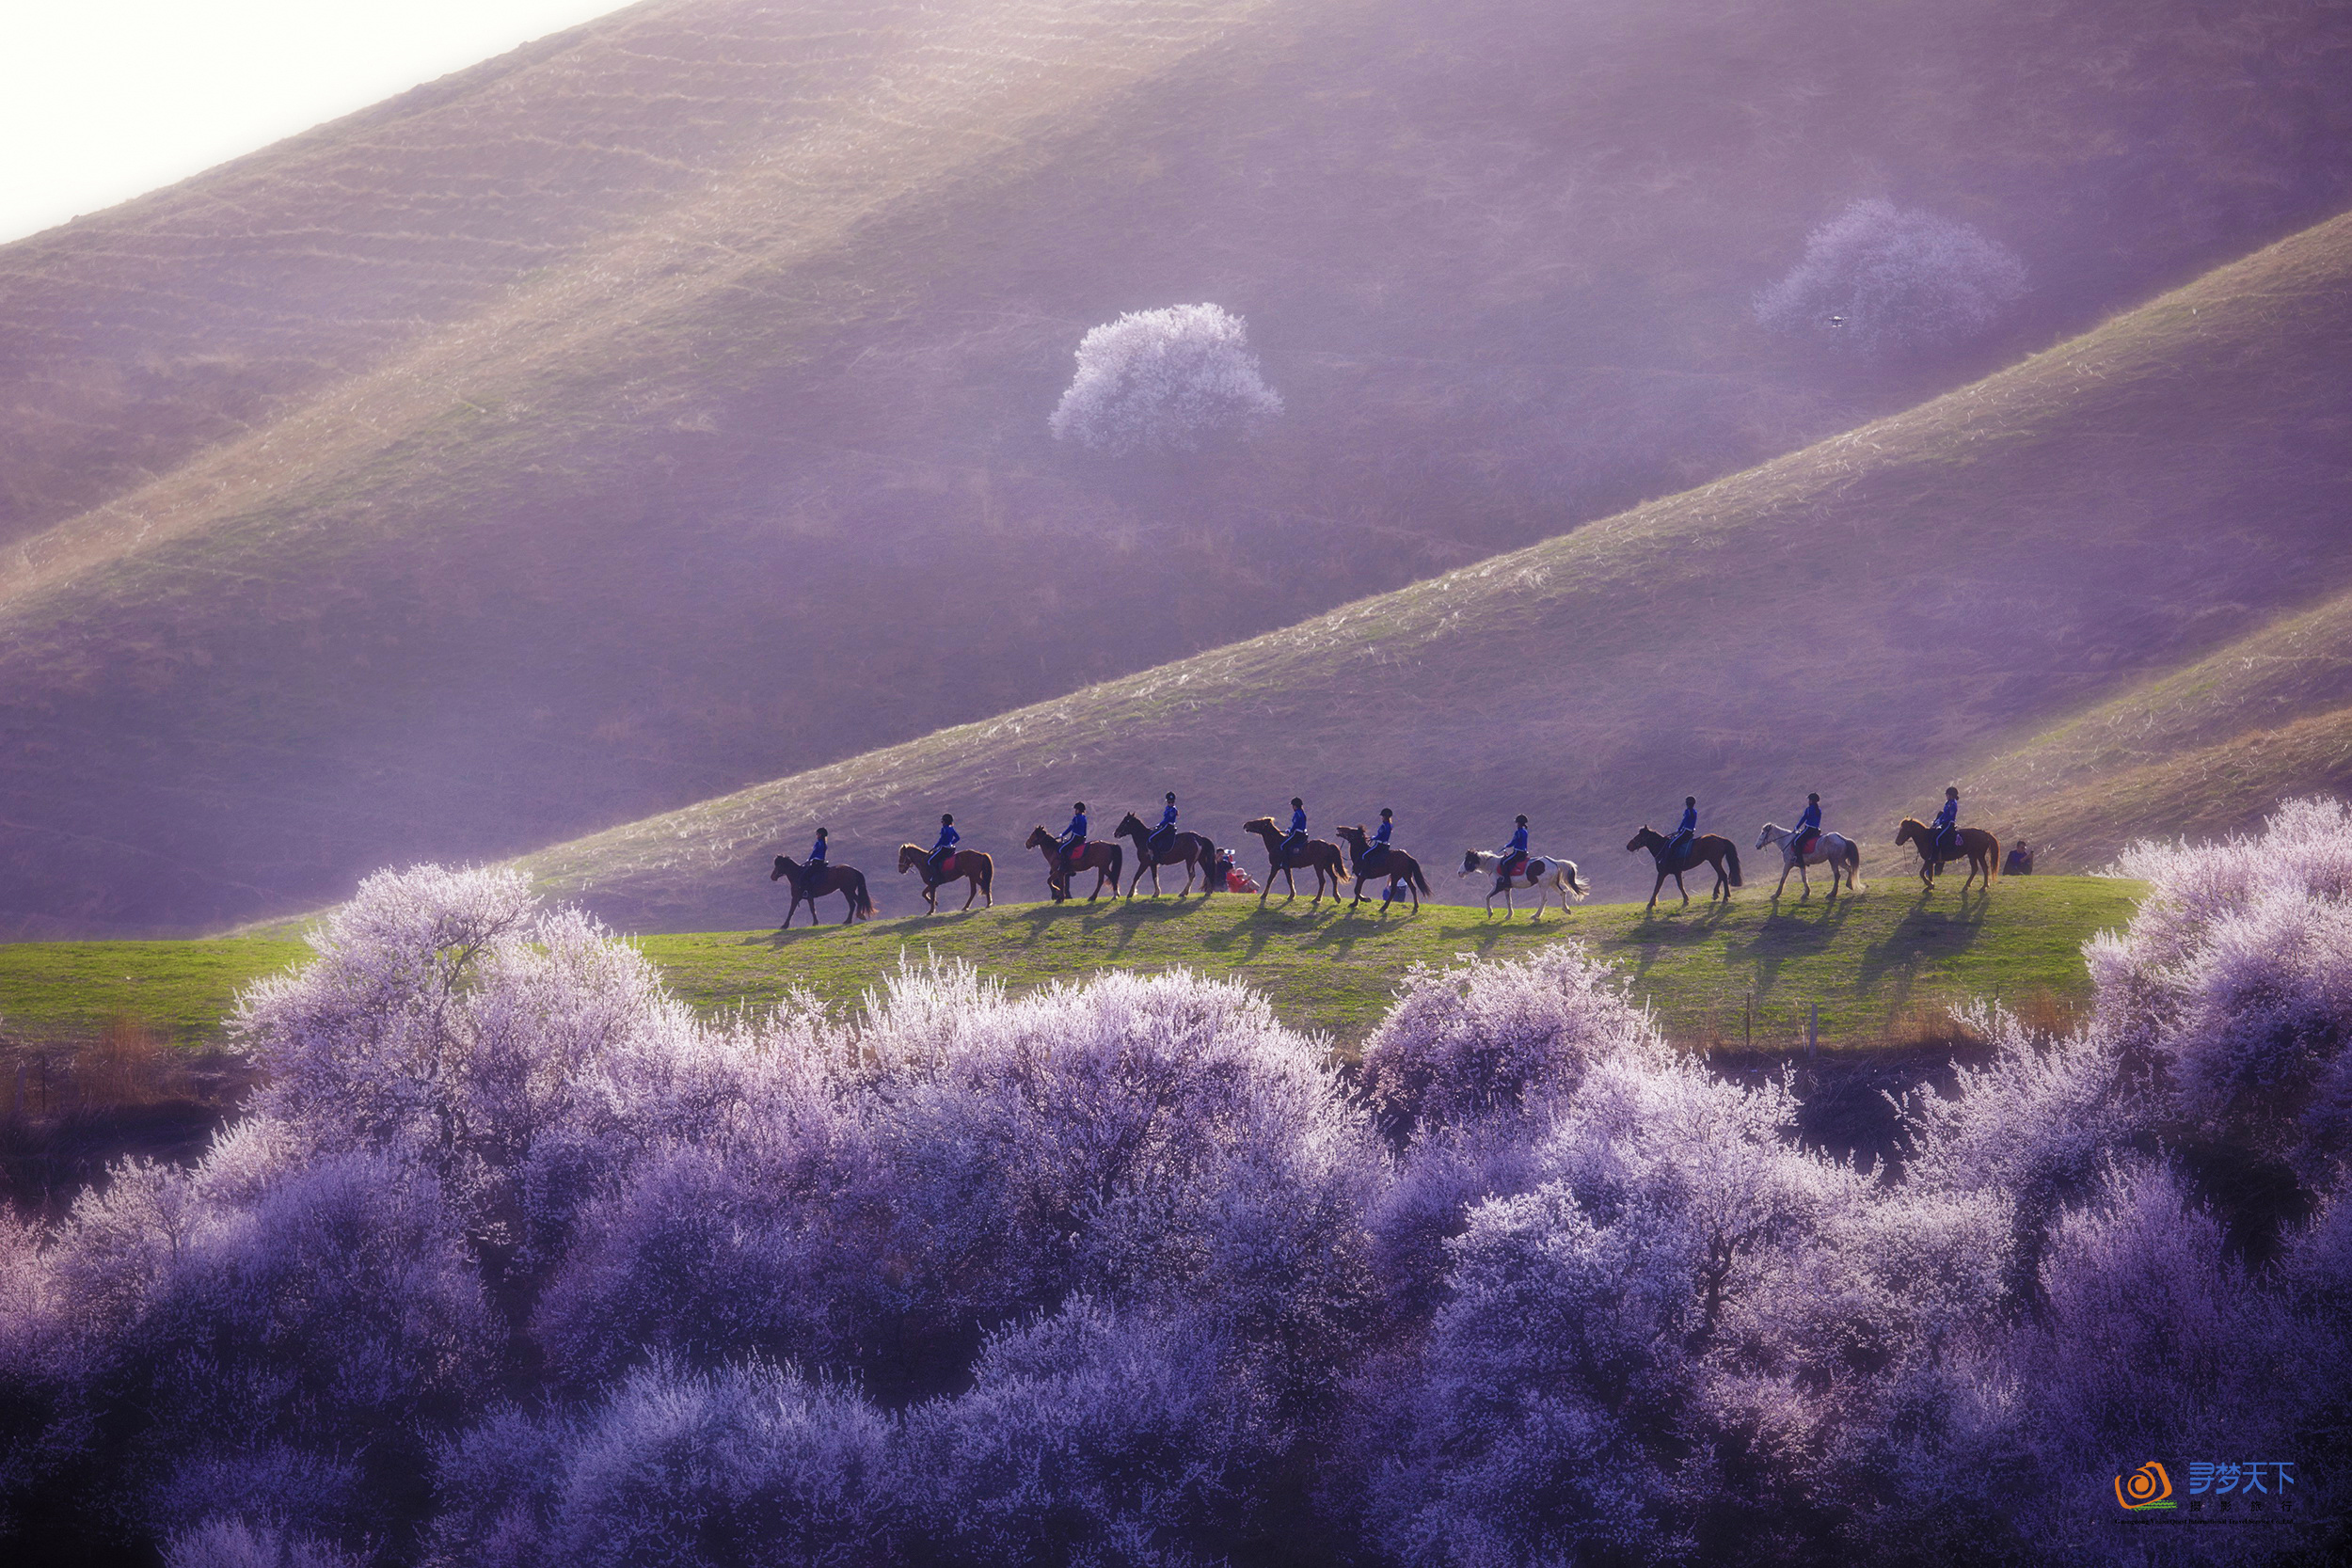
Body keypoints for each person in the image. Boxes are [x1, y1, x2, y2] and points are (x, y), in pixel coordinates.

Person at [1497, 814, 1531, 884]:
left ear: (1519, 823)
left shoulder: (1518, 832)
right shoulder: (1525, 831)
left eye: (1517, 823)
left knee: (1504, 862)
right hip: (1524, 852)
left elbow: (1513, 842)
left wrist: (1506, 846)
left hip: (1517, 853)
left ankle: (1507, 881)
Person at [1931, 786, 1961, 865]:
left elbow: (1950, 817)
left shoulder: (1953, 804)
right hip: (1944, 823)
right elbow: (1944, 814)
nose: (1946, 796)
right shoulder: (1947, 803)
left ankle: (1936, 857)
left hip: (1949, 824)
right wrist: (1937, 821)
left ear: (1951, 795)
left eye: (1947, 795)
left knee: (1937, 838)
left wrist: (1942, 821)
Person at [1665, 796, 1698, 863]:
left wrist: (1679, 829)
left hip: (1686, 831)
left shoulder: (1688, 811)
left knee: (1672, 844)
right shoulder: (1694, 811)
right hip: (1690, 831)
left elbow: (1684, 821)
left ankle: (1671, 861)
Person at [926, 814, 959, 879]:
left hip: (944, 849)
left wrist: (935, 847)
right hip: (951, 848)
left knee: (930, 861)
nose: (942, 823)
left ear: (945, 822)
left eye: (942, 821)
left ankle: (936, 877)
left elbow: (941, 840)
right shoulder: (952, 829)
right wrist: (950, 843)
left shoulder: (944, 829)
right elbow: (957, 838)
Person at [1057, 802, 1089, 870]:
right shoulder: (1084, 818)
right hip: (1082, 838)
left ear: (1078, 810)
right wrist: (1084, 838)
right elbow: (1085, 829)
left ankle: (1065, 866)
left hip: (1075, 838)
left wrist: (1062, 834)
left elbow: (1070, 828)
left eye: (1076, 809)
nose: (1075, 811)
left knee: (1061, 849)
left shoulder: (1076, 818)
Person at [1792, 793, 1822, 859]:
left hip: (1809, 829)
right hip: (1816, 830)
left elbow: (1803, 819)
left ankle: (1799, 860)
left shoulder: (1808, 809)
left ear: (1811, 801)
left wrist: (1796, 828)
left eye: (1809, 800)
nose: (1808, 801)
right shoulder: (1819, 810)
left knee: (1796, 841)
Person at [1150, 793, 1179, 858]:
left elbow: (1168, 819)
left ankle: (1157, 856)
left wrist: (1160, 824)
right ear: (1167, 802)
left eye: (1172, 802)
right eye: (1169, 802)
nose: (1171, 803)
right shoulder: (1168, 808)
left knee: (1151, 839)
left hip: (1168, 826)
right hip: (1165, 825)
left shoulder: (1173, 810)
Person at [803, 827, 829, 898]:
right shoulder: (824, 844)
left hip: (816, 862)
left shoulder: (818, 843)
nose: (816, 835)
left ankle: (807, 891)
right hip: (821, 862)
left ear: (820, 835)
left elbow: (814, 853)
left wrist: (809, 860)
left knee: (805, 876)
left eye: (817, 834)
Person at [1281, 797, 1308, 866]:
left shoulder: (1297, 813)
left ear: (1295, 806)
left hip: (1297, 833)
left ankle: (1286, 863)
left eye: (1293, 806)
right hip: (1303, 833)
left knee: (1283, 846)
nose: (1292, 807)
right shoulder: (1302, 813)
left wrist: (1290, 830)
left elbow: (1295, 825)